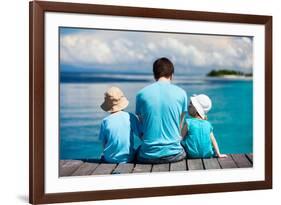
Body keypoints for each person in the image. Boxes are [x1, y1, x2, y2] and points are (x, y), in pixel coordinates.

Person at [135, 57, 188, 163]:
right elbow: (180, 126)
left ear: (154, 75)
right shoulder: (182, 93)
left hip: (148, 155)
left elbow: (141, 124)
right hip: (175, 154)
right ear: (172, 75)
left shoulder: (141, 94)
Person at [99, 86, 141, 163]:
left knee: (103, 155)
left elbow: (104, 145)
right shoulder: (130, 117)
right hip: (128, 158)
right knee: (139, 149)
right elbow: (142, 136)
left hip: (109, 159)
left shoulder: (105, 121)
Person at [181, 94, 227, 158]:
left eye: (191, 104)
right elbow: (213, 140)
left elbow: (180, 138)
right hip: (207, 154)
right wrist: (219, 154)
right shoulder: (208, 124)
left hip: (191, 154)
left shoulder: (188, 122)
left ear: (196, 109)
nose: (188, 106)